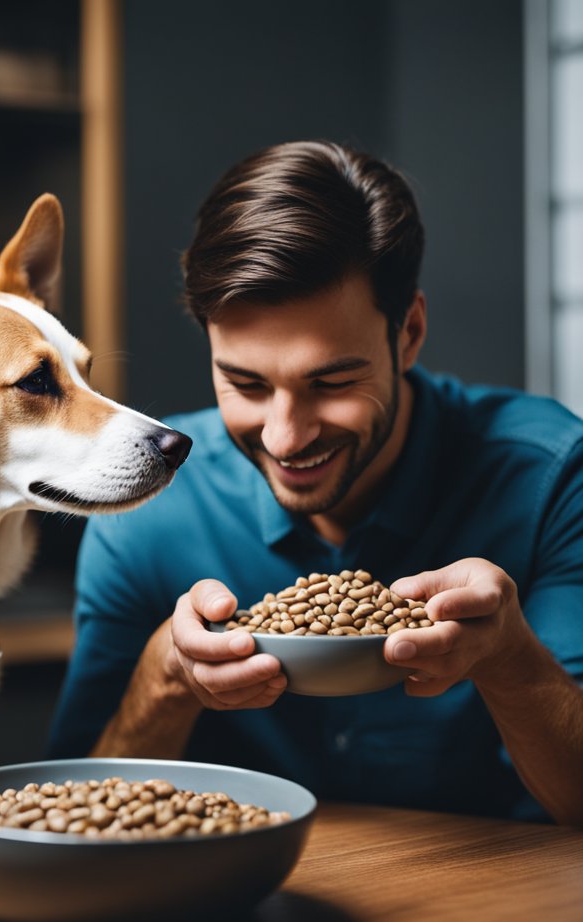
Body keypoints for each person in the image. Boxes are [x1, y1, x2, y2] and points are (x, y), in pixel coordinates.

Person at [46, 140, 583, 826]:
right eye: (244, 384)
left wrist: (510, 658)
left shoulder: (551, 475)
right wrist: (168, 676)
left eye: (331, 382)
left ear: (409, 333)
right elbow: (74, 811)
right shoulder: (151, 505)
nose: (284, 436)